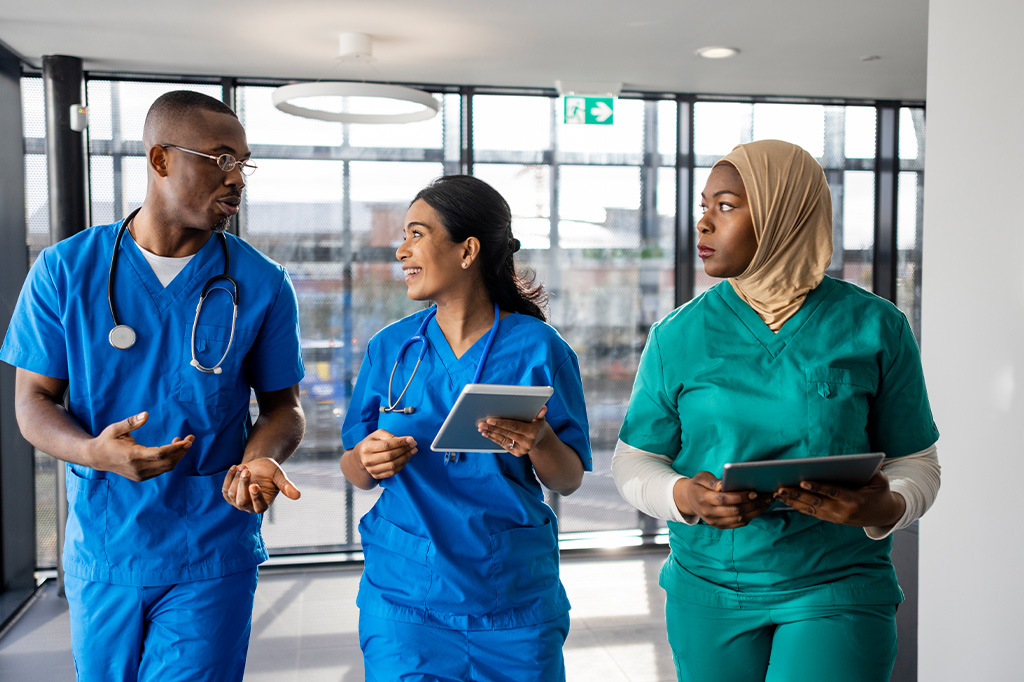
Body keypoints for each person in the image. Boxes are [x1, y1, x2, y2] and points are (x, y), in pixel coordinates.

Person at [1, 90, 306, 682]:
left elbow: (283, 408)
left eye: (243, 163)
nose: (236, 178)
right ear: (161, 159)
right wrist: (94, 452)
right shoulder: (66, 270)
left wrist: (258, 460)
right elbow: (32, 402)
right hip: (106, 545)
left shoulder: (263, 283)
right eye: (220, 158)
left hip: (212, 544)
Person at [612, 139, 941, 682]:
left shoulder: (876, 327)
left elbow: (917, 463)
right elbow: (634, 462)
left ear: (783, 214)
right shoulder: (677, 335)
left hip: (836, 584)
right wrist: (685, 496)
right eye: (703, 206)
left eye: (725, 206)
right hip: (709, 588)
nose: (703, 224)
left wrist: (885, 508)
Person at [340, 174, 592, 682]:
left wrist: (539, 441)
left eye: (416, 234)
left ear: (467, 250)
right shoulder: (391, 349)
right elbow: (355, 467)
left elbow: (568, 478)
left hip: (513, 597)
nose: (400, 250)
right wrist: (366, 458)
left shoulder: (540, 349)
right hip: (406, 599)